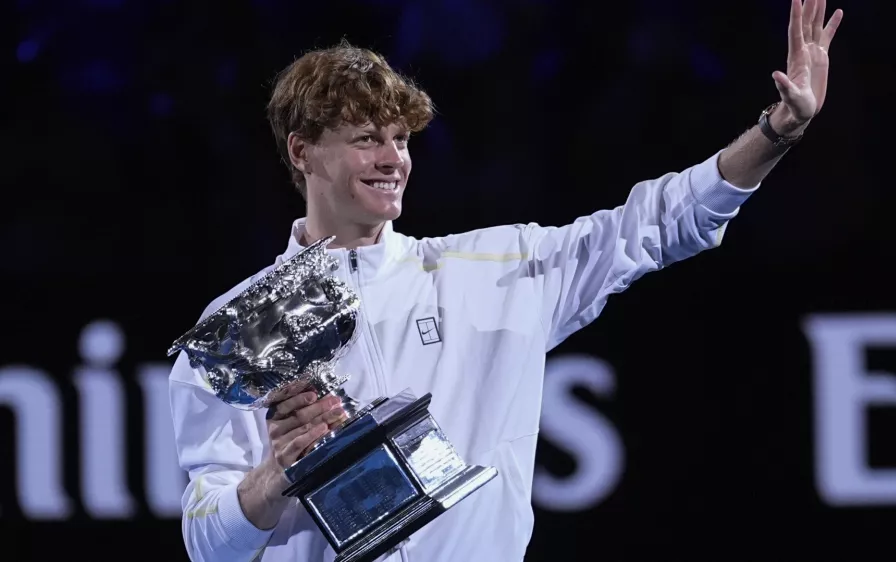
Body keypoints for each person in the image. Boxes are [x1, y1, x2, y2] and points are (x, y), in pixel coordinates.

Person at [168, 0, 843, 560]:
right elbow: (207, 544)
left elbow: (657, 223)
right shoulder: (242, 327)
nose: (393, 159)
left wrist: (776, 132)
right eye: (367, 138)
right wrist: (273, 480)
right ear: (302, 151)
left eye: (401, 139)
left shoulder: (494, 270)